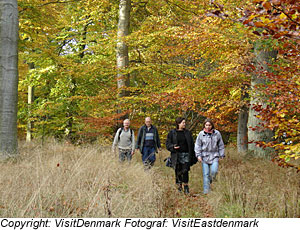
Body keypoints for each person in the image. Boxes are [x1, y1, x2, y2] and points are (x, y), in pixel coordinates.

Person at [166, 117, 197, 194]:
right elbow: (168, 144)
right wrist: (173, 147)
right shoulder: (172, 133)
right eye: (183, 123)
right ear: (178, 123)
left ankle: (186, 186)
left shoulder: (187, 133)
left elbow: (192, 144)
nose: (184, 124)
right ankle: (179, 186)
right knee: (178, 170)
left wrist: (193, 155)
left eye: (185, 123)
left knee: (185, 170)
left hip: (186, 154)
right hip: (176, 155)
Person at [194, 118, 225, 194]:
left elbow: (221, 145)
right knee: (206, 174)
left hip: (214, 155)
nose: (208, 127)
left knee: (214, 171)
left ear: (212, 125)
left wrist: (222, 155)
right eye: (206, 125)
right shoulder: (201, 134)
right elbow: (198, 145)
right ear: (204, 125)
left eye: (209, 125)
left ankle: (210, 181)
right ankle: (206, 191)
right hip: (204, 156)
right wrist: (198, 155)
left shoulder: (217, 133)